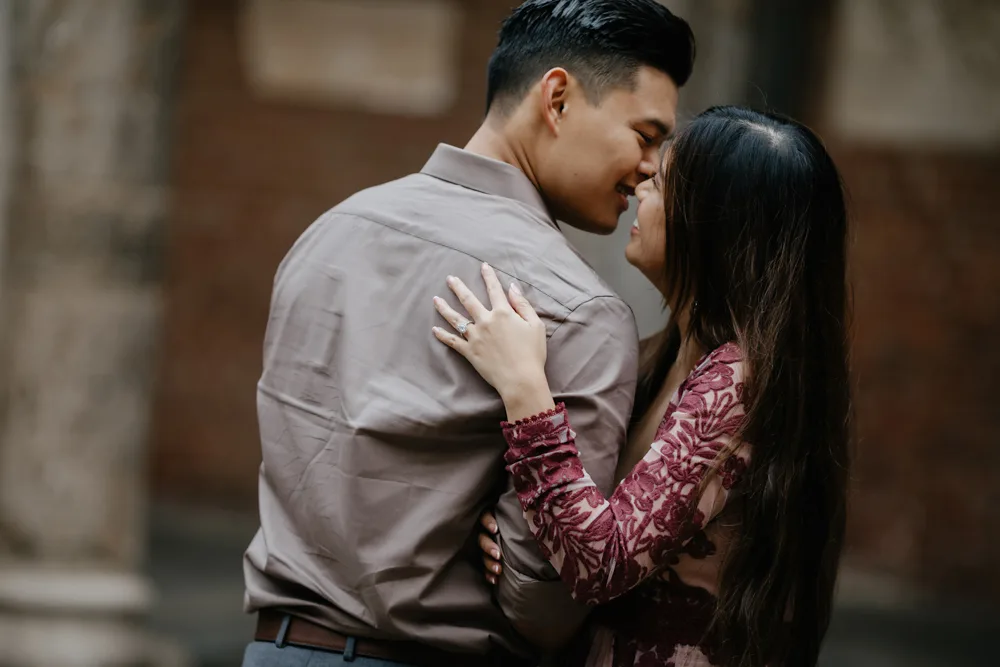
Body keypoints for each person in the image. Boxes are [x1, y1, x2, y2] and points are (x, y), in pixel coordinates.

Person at [241, 2, 695, 666]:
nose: (654, 168)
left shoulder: (327, 236)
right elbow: (545, 603)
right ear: (559, 99)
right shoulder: (576, 309)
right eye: (646, 134)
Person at [432, 106, 852, 667]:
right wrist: (516, 537)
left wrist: (524, 385)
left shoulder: (739, 382)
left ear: (713, 224)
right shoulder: (670, 353)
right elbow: (592, 528)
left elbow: (601, 562)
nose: (639, 187)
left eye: (661, 184)